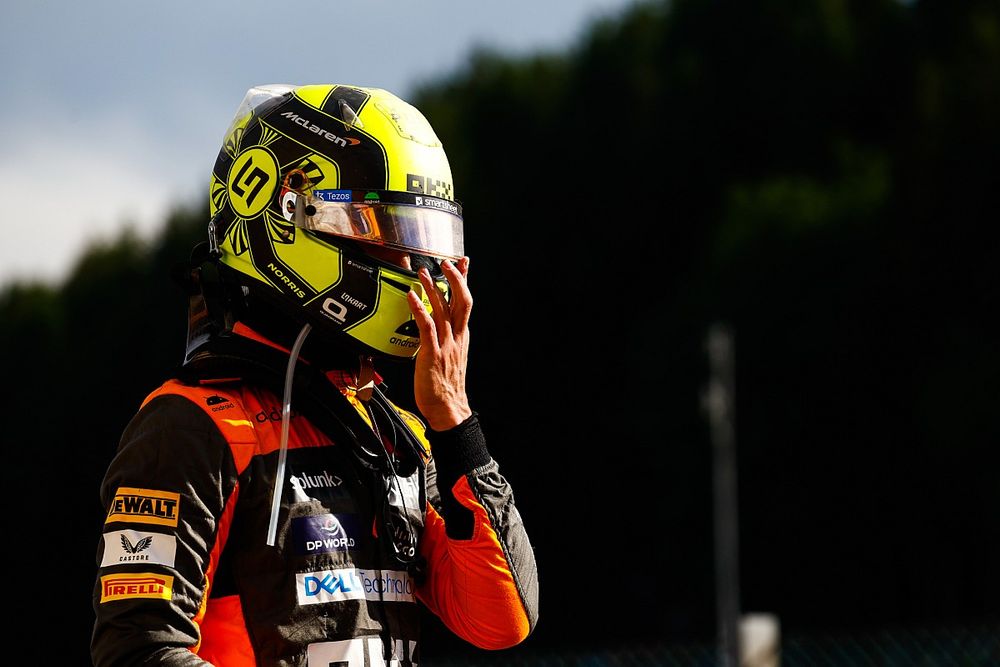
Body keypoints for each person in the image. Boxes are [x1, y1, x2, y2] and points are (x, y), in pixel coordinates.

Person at [91, 83, 539, 666]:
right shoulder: (188, 427)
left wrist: (455, 422)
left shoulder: (394, 434)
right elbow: (138, 653)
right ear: (286, 222)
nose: (413, 271)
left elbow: (501, 619)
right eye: (385, 238)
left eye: (420, 246)